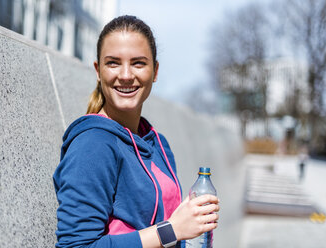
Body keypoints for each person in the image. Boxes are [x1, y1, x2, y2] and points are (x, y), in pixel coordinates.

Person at [53, 15, 220, 248]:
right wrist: (171, 230)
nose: (125, 75)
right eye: (113, 63)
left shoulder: (157, 142)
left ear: (155, 71)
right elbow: (76, 246)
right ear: (98, 71)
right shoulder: (92, 144)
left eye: (138, 63)